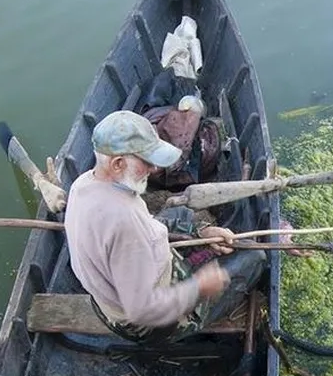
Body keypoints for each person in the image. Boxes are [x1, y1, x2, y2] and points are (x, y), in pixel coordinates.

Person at [63, 110, 262, 343]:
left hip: (110, 297)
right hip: (145, 323)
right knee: (255, 257)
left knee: (181, 214)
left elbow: (142, 230)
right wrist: (199, 287)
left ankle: (197, 241)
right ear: (117, 164)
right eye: (145, 161)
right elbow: (143, 310)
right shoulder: (125, 223)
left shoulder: (84, 183)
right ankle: (197, 322)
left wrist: (202, 233)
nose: (154, 169)